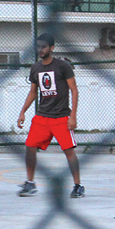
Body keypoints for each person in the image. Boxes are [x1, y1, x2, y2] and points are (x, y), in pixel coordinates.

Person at [17, 33, 84, 198]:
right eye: (38, 46)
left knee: (69, 151)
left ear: (52, 48)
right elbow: (33, 92)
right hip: (42, 116)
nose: (40, 49)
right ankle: (30, 183)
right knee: (30, 147)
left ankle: (78, 186)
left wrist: (73, 116)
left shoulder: (63, 66)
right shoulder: (36, 68)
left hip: (61, 116)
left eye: (43, 47)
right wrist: (23, 111)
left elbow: (74, 90)